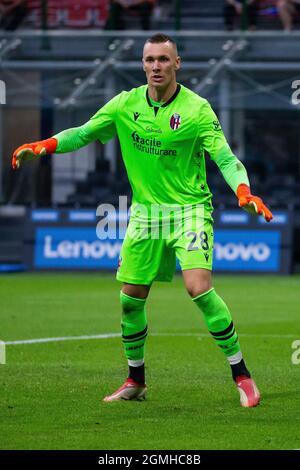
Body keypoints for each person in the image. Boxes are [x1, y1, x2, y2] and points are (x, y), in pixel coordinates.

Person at [12, 33, 273, 407]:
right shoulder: (124, 104)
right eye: (150, 59)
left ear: (177, 64)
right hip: (146, 216)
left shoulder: (198, 110)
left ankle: (242, 375)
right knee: (131, 300)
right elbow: (83, 133)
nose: (156, 66)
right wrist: (44, 145)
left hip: (190, 211)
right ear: (143, 64)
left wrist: (244, 191)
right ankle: (136, 381)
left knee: (198, 287)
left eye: (164, 60)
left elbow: (227, 159)